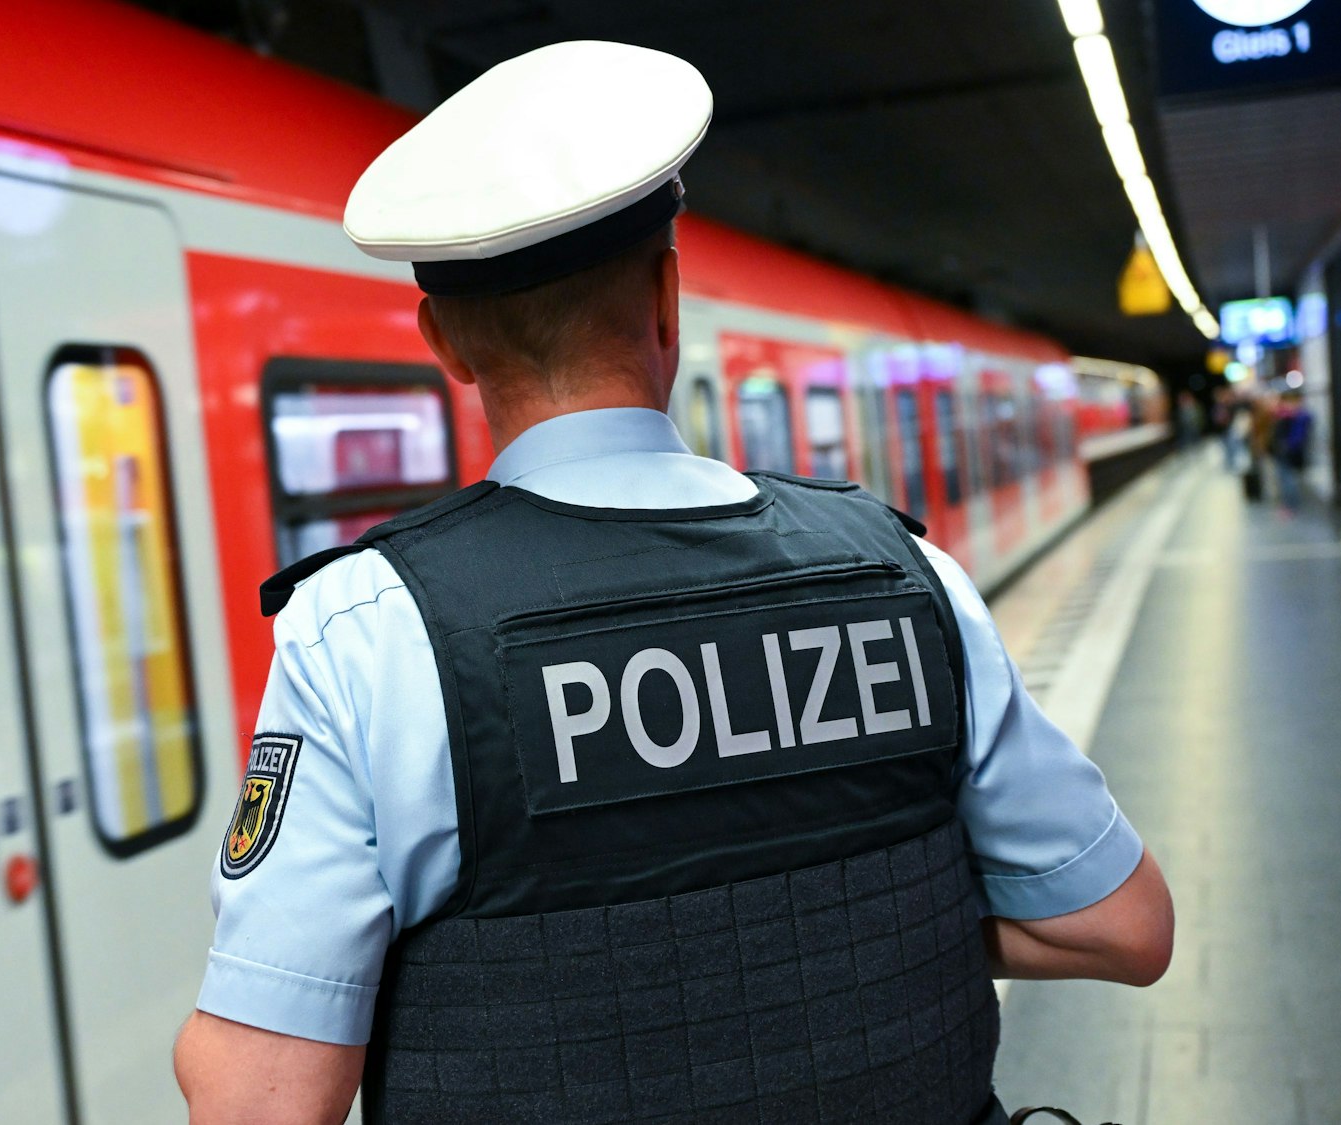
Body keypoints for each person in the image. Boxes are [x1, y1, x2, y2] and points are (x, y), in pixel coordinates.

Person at [174, 41, 1173, 1125]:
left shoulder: (365, 632)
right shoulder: (901, 574)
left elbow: (262, 1104)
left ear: (444, 344)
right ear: (667, 296)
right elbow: (1123, 926)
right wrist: (863, 938)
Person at [1271, 391, 1312, 514]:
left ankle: (1290, 506)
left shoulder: (1299, 417)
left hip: (1290, 453)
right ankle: (1288, 504)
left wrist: (1287, 447)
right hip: (1285, 452)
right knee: (1285, 478)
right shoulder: (1287, 416)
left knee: (1288, 479)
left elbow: (1298, 438)